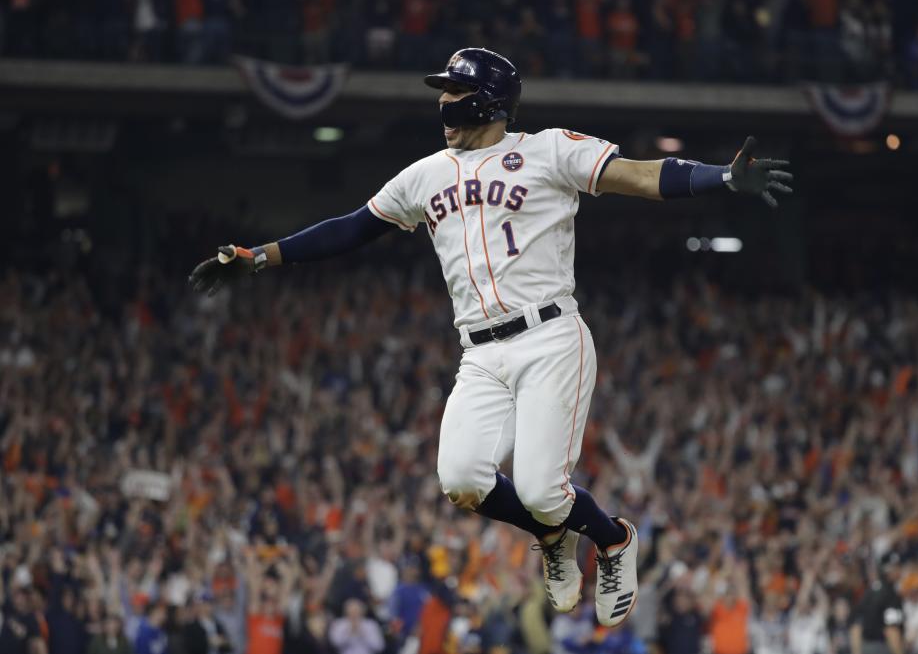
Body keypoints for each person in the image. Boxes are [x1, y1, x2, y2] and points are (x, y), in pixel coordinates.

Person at [188, 47, 793, 626]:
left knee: (540, 487)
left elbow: (635, 175)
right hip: (479, 352)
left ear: (484, 100)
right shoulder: (426, 175)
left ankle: (612, 540)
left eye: (452, 89)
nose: (443, 101)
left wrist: (718, 178)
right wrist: (261, 257)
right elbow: (351, 228)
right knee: (461, 479)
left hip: (550, 337)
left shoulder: (548, 150)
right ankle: (552, 538)